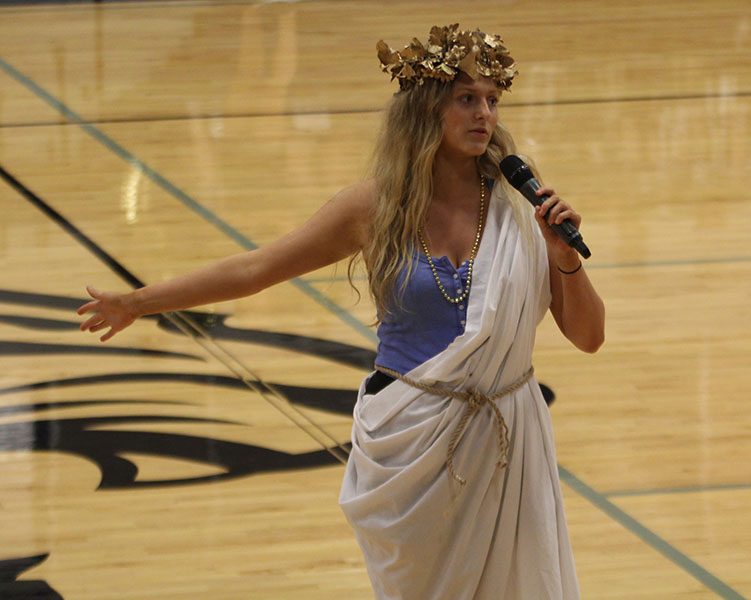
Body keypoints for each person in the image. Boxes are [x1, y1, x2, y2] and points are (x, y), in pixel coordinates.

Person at [77, 23, 604, 600]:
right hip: (411, 436)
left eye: (492, 100)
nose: (485, 114)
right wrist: (136, 302)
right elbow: (256, 271)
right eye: (466, 98)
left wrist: (564, 259)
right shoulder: (373, 206)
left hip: (505, 436)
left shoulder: (518, 209)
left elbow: (589, 336)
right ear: (428, 108)